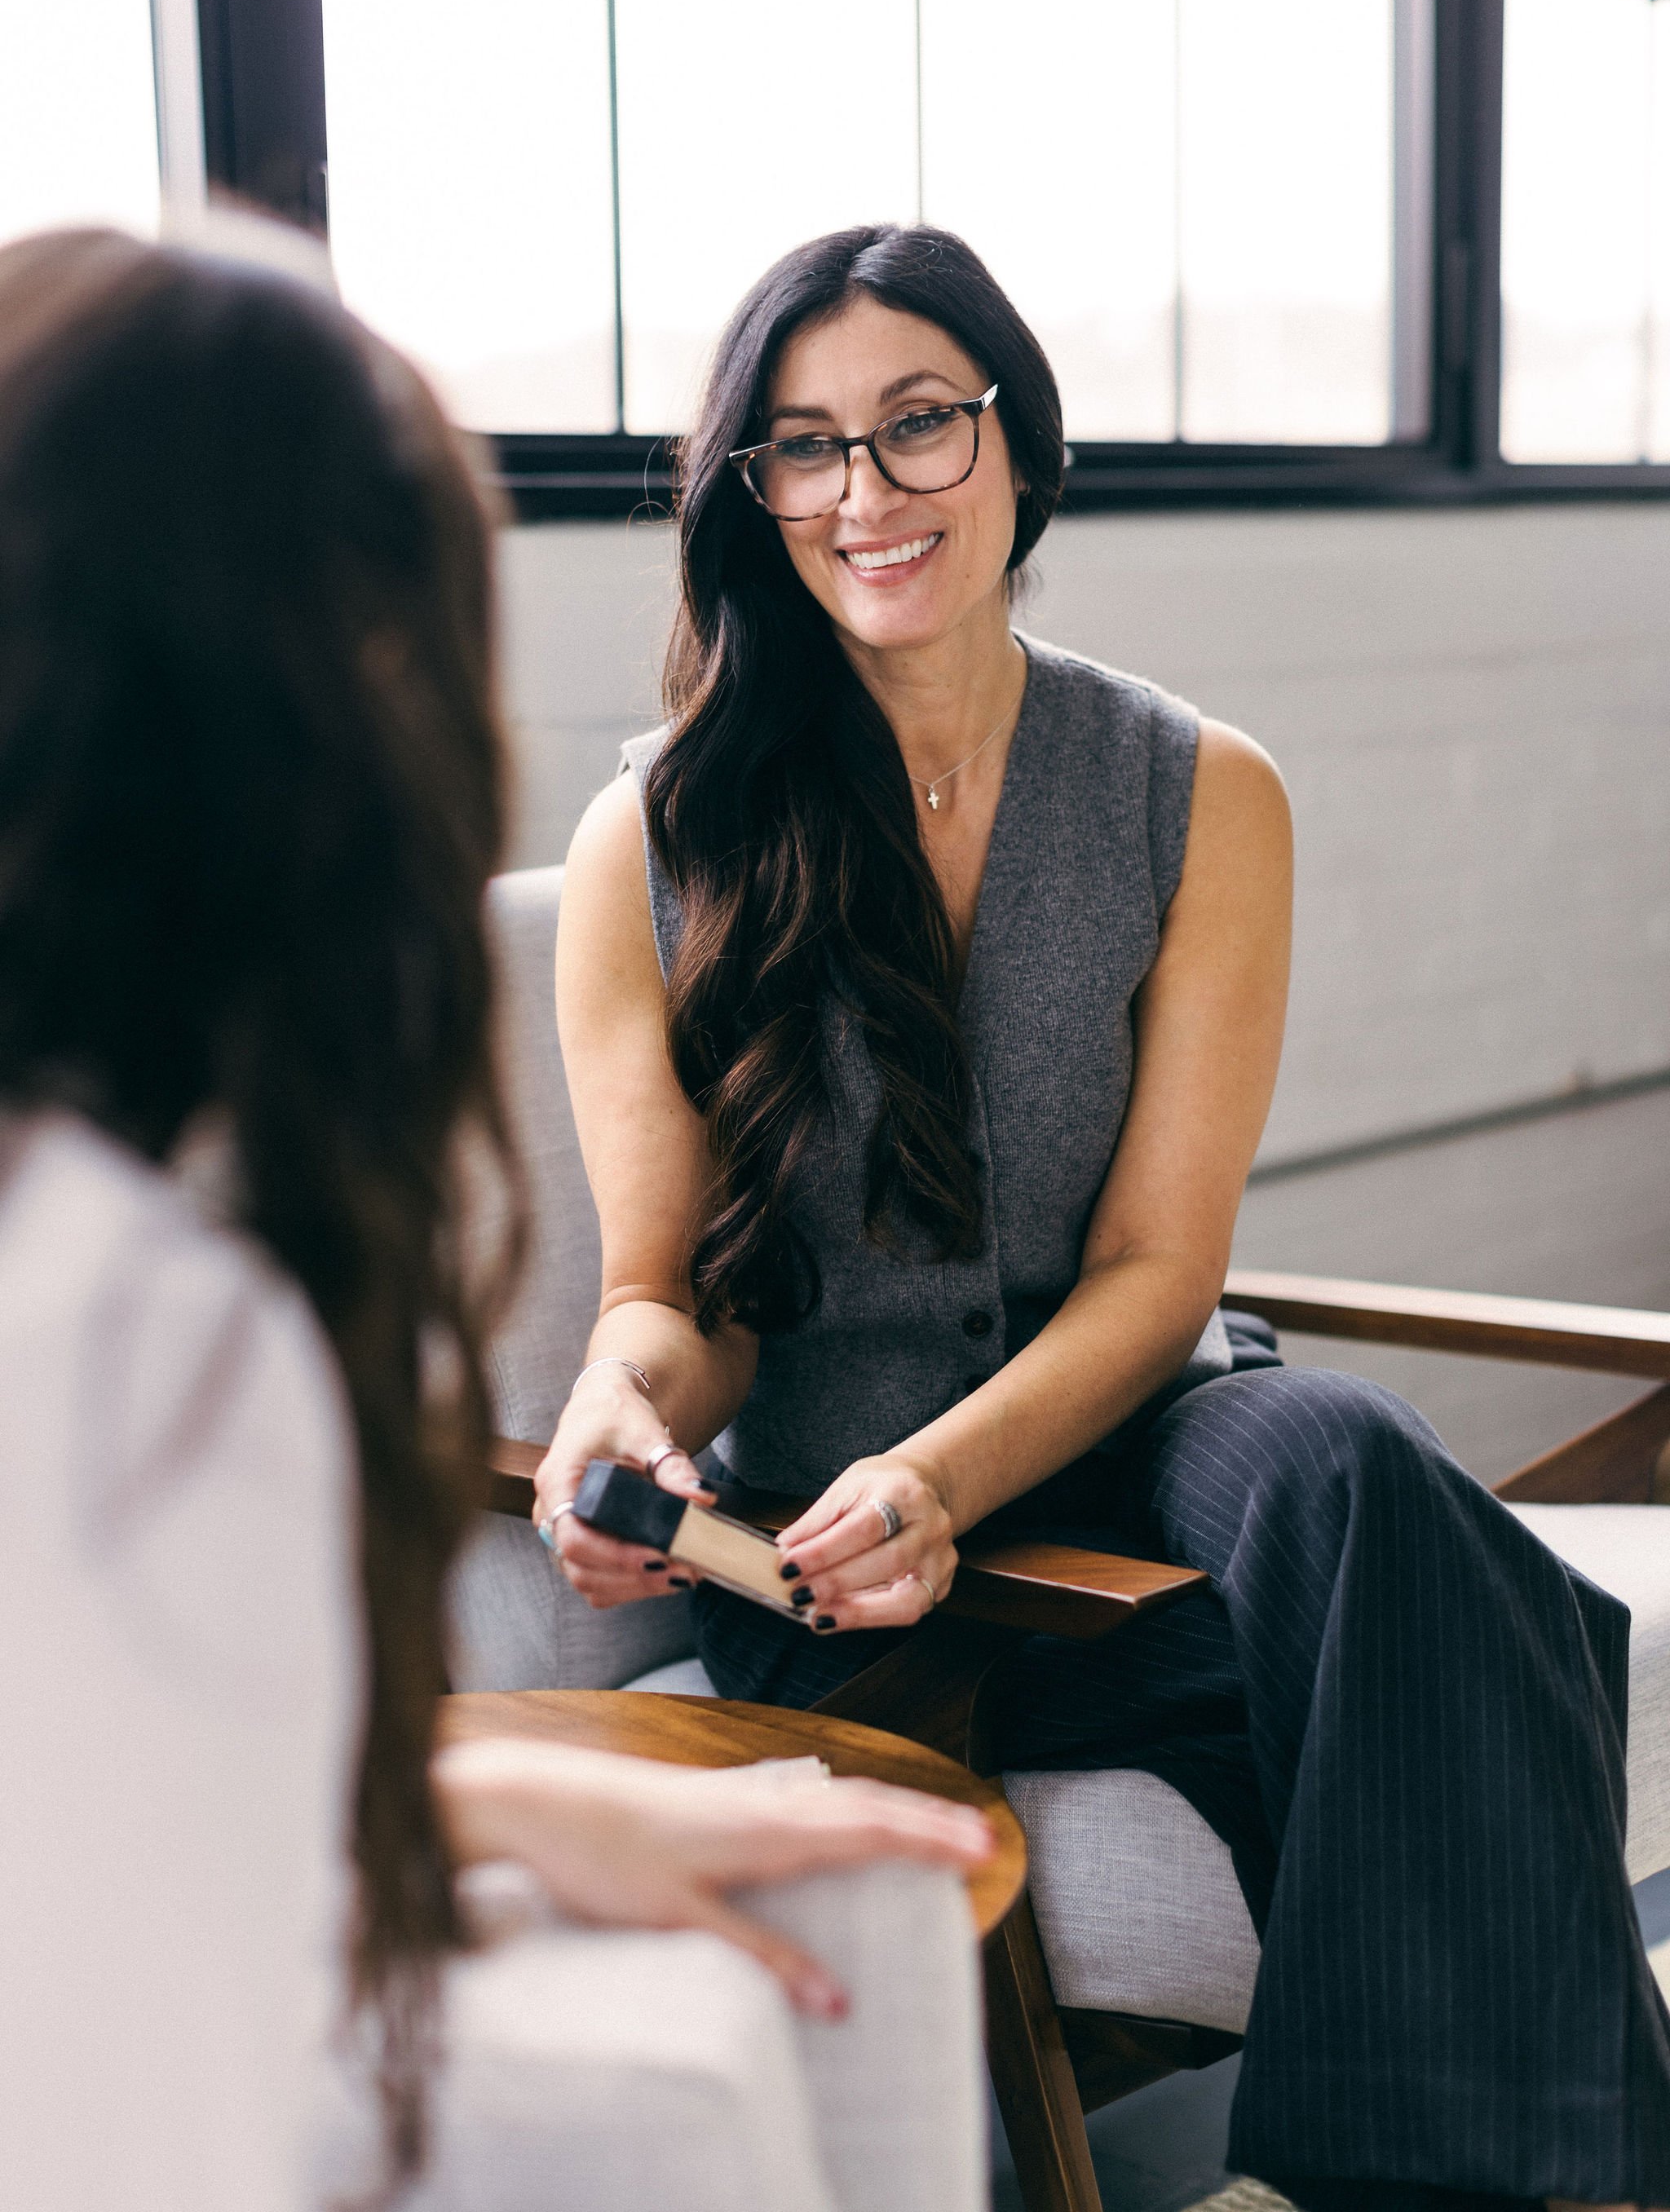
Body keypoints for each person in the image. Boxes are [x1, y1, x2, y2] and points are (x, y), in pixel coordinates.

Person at [540, 222, 1670, 2212]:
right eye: (803, 449)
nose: (865, 494)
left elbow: (1160, 1274)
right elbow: (674, 1297)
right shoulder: (657, 837)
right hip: (836, 1550)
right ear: (753, 494)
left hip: (1133, 1448)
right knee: (1477, 1626)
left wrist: (954, 1467)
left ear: (1018, 444)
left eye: (916, 428)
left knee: (1348, 1458)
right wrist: (618, 1405)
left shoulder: (1196, 789)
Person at [0, 221, 995, 2212]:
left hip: (1046, 1489)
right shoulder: (138, 1330)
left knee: (863, 1916)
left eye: (917, 430)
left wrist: (479, 1796)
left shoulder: (123, 1261)